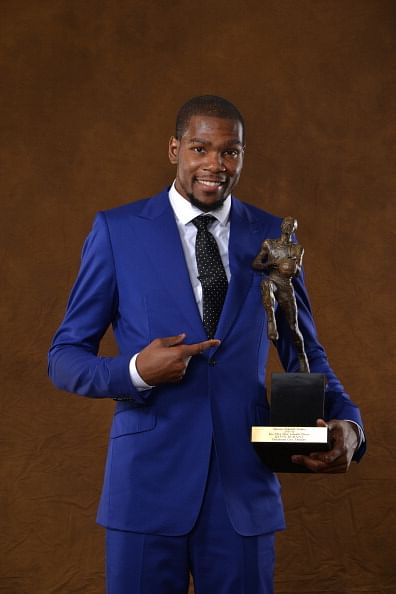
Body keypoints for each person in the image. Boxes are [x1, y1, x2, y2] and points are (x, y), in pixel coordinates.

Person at [48, 95, 365, 594]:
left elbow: (305, 351)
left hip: (243, 491)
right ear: (175, 149)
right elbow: (64, 358)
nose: (215, 165)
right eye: (200, 148)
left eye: (230, 152)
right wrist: (133, 372)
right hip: (146, 490)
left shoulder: (272, 237)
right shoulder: (118, 232)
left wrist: (351, 426)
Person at [252, 216, 309, 372]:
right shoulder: (269, 244)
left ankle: (302, 356)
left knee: (293, 327)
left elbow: (297, 272)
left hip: (286, 286)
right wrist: (272, 264)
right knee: (266, 284)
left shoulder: (297, 249)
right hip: (273, 280)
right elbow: (256, 263)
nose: (288, 226)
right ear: (282, 225)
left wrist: (291, 266)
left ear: (293, 229)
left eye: (291, 225)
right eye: (286, 223)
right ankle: (271, 322)